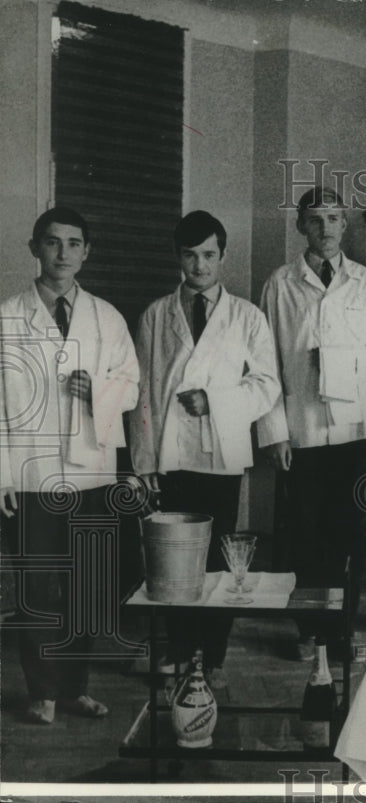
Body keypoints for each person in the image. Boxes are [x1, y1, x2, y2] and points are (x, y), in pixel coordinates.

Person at [130, 211, 281, 687]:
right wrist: (144, 461)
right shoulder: (156, 314)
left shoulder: (247, 316)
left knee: (218, 558)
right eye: (190, 255)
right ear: (178, 256)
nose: (199, 265)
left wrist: (213, 400)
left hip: (221, 452)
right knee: (175, 558)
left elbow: (267, 385)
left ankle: (210, 658)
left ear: (223, 256)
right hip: (171, 454)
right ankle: (177, 650)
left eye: (209, 255)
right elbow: (143, 393)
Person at [0, 207, 139, 723]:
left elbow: (130, 384)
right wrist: (3, 475)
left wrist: (96, 391)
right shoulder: (8, 318)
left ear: (87, 252)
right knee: (38, 585)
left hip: (91, 472)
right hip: (31, 474)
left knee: (87, 583)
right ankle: (42, 691)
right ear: (34, 247)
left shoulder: (107, 317)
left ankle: (75, 686)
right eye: (53, 242)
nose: (63, 253)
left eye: (74, 243)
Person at [258, 186, 366, 659]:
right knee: (306, 532)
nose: (327, 228)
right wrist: (274, 432)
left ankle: (341, 628)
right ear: (301, 226)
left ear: (345, 224)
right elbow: (267, 362)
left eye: (335, 218)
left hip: (355, 429)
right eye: (316, 219)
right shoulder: (280, 283)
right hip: (303, 428)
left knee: (350, 530)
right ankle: (308, 630)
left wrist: (340, 363)